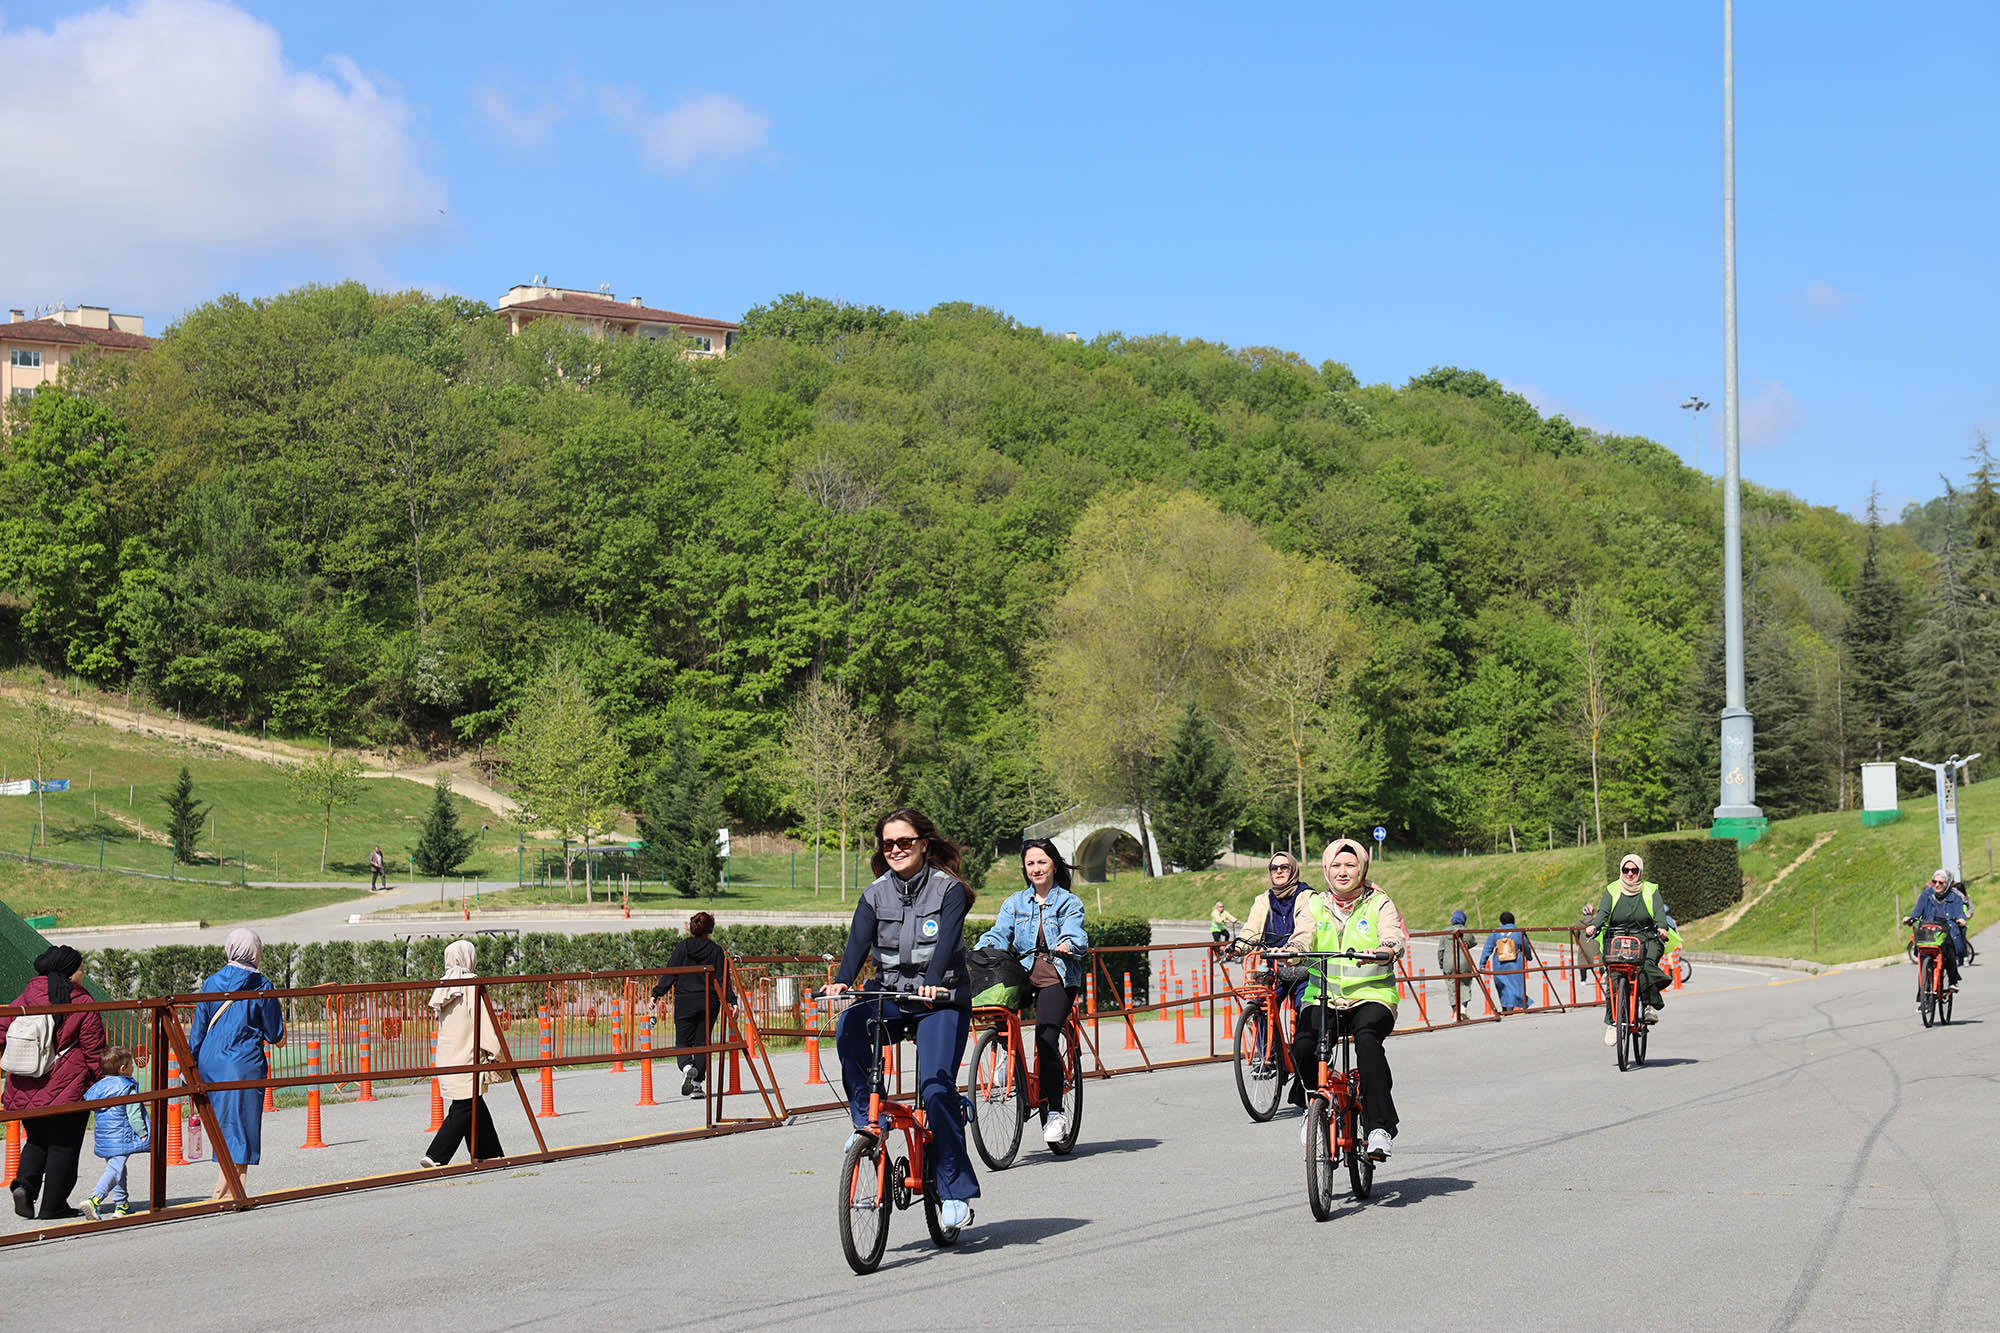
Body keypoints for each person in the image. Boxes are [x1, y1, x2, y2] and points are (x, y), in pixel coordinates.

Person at [825, 808, 978, 1231]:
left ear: (923, 844)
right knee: (850, 1025)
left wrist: (931, 984)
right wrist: (841, 982)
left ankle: (954, 1191)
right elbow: (857, 945)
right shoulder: (875, 894)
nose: (895, 850)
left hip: (940, 1000)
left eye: (904, 842)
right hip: (891, 995)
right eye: (888, 844)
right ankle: (865, 1121)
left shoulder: (948, 891)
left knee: (935, 1088)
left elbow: (946, 944)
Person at [1283, 839, 1406, 1161]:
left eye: (1350, 865)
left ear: (1362, 869)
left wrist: (1386, 950)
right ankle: (1314, 1104)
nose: (1343, 871)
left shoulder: (1379, 903)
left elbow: (1393, 935)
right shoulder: (1313, 903)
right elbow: (1303, 933)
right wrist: (1294, 952)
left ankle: (1379, 1128)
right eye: (1336, 865)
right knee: (1303, 1046)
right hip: (1324, 997)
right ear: (1326, 869)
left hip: (1372, 997)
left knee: (1367, 1044)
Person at [978, 838, 1088, 1146]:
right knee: (996, 1004)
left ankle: (1055, 1112)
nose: (1036, 869)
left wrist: (1068, 943)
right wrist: (981, 949)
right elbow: (1000, 933)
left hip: (1057, 973)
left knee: (1046, 1035)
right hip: (1023, 971)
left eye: (1041, 862)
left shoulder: (1068, 902)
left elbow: (1076, 931)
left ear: (1053, 863)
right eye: (1030, 864)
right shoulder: (1014, 903)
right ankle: (1004, 1057)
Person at [2, 945, 107, 1219]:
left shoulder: (25, 997)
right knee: (64, 1145)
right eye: (81, 968)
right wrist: (102, 1082)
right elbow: (94, 1050)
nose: (83, 973)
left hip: (24, 1084)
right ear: (71, 972)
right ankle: (53, 1206)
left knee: (37, 1139)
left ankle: (24, 1185)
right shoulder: (82, 1002)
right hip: (68, 1086)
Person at [187, 928, 285, 1200]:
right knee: (241, 1124)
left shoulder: (211, 982)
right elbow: (275, 1033)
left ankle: (231, 1188)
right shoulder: (262, 985)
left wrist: (191, 1065)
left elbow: (198, 1029)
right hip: (242, 1062)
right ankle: (229, 1189)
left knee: (222, 1124)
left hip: (209, 1062)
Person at [422, 940, 504, 1167]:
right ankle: (436, 1155)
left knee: (474, 1102)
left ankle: (488, 1153)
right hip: (467, 1054)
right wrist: (497, 1052)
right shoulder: (470, 984)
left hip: (448, 1056)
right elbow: (483, 1021)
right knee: (464, 1106)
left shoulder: (445, 984)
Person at [652, 911, 736, 1098]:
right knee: (703, 1044)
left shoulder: (683, 947)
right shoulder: (716, 950)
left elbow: (671, 972)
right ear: (710, 928)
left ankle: (687, 1067)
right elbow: (723, 979)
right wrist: (732, 1000)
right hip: (709, 1001)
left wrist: (657, 994)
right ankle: (697, 1085)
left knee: (682, 1042)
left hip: (685, 1000)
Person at [1593, 854, 1672, 1045]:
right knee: (1613, 977)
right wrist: (1594, 926)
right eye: (1626, 870)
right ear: (1621, 871)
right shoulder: (1612, 889)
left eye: (1634, 870)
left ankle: (1649, 1005)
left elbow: (1660, 914)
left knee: (1645, 965)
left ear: (1640, 872)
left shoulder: (1650, 889)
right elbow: (1603, 912)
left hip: (1646, 937)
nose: (1630, 874)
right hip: (1618, 938)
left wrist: (1662, 928)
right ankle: (1613, 1022)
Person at [82, 1048, 150, 1220]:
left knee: (118, 1168)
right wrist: (142, 1133)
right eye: (131, 1065)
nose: (133, 1067)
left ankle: (122, 1204)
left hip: (106, 1136)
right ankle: (95, 1199)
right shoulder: (127, 1087)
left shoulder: (100, 1088)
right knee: (115, 1170)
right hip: (121, 1135)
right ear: (123, 1069)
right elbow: (133, 1114)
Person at [1906, 869, 1970, 992]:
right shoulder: (1926, 895)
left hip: (1946, 930)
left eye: (1941, 883)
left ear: (1948, 883)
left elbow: (1960, 913)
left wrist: (1961, 919)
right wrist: (1910, 919)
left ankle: (1952, 980)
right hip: (1928, 931)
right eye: (1934, 881)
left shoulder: (1955, 897)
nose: (1937, 885)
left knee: (1950, 948)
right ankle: (1923, 996)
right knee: (1923, 961)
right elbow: (1916, 912)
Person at [1480, 911, 1536, 1013]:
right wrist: (1529, 957)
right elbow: (1526, 946)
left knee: (1503, 986)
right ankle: (1521, 1004)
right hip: (1515, 962)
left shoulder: (1495, 933)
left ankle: (1506, 1006)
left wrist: (1482, 964)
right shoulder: (1519, 932)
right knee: (1516, 985)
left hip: (1499, 962)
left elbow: (1487, 948)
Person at [1436, 909, 1473, 1020]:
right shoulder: (1466, 931)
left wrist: (1441, 963)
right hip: (1464, 961)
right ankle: (1463, 1007)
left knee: (1452, 986)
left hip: (1449, 962)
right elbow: (1472, 942)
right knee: (1465, 984)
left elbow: (1440, 950)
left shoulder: (1445, 931)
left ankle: (1455, 1012)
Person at [1574, 901, 1601, 983]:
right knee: (1598, 959)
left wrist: (1578, 941)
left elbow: (1575, 932)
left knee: (1583, 961)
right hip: (1594, 942)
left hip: (1583, 943)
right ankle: (1602, 974)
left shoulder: (1579, 922)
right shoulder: (1596, 920)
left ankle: (1583, 980)